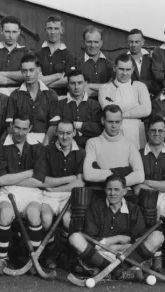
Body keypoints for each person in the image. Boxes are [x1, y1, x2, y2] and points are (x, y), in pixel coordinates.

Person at [69, 174, 164, 278]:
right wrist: (117, 238)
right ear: (105, 190)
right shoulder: (95, 207)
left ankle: (111, 271)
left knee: (158, 236)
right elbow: (91, 240)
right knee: (75, 238)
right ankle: (118, 271)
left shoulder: (134, 209)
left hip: (128, 255)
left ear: (124, 191)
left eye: (116, 189)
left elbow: (137, 241)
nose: (112, 193)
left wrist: (116, 246)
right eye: (109, 189)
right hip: (100, 255)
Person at [0, 113, 45, 275]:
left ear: (30, 128)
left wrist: (11, 178)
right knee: (6, 215)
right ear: (11, 127)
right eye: (17, 128)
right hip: (8, 193)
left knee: (34, 214)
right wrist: (30, 172)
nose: (20, 133)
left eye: (24, 129)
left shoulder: (37, 147)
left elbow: (39, 181)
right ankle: (2, 258)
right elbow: (1, 181)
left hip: (32, 194)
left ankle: (34, 260)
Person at [41, 119, 85, 269]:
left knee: (68, 221)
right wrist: (69, 179)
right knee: (46, 220)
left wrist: (56, 188)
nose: (65, 137)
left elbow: (80, 183)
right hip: (48, 197)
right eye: (61, 133)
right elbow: (44, 181)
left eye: (68, 133)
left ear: (74, 133)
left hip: (69, 196)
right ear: (56, 133)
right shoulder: (47, 150)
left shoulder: (81, 152)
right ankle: (51, 253)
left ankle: (65, 254)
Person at [83, 104, 144, 187]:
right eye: (110, 122)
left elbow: (140, 176)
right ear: (103, 121)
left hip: (123, 192)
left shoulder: (130, 143)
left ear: (121, 121)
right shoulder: (92, 143)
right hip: (100, 192)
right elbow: (88, 175)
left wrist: (118, 183)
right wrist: (123, 171)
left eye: (117, 122)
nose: (114, 126)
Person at [99, 53, 151, 149]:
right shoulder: (105, 88)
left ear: (133, 70)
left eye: (128, 70)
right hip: (113, 132)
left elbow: (146, 110)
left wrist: (118, 113)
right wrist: (135, 105)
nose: (124, 73)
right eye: (121, 69)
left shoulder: (139, 86)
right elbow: (107, 109)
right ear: (114, 68)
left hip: (136, 133)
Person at [5, 54, 60, 145]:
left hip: (45, 138)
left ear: (39, 70)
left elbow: (53, 124)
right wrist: (21, 144)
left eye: (31, 70)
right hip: (20, 138)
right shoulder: (15, 95)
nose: (28, 74)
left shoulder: (50, 94)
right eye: (24, 71)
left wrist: (44, 145)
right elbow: (9, 124)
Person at [134, 115, 165, 270]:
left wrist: (147, 182)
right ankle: (155, 256)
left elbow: (142, 182)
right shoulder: (138, 153)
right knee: (150, 207)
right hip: (144, 195)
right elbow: (136, 186)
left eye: (161, 130)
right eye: (153, 130)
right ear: (148, 132)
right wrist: (157, 187)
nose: (157, 133)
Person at [58, 69, 102, 148]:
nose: (76, 87)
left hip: (90, 147)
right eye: (72, 83)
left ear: (85, 84)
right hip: (66, 147)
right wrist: (87, 128)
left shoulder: (94, 105)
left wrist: (78, 125)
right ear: (67, 85)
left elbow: (98, 129)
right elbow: (57, 129)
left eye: (80, 83)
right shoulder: (60, 104)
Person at [0, 16, 29, 96]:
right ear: (1, 31)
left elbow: (28, 75)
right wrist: (20, 79)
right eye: (7, 31)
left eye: (14, 32)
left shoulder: (26, 52)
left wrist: (2, 73)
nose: (11, 36)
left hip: (20, 95)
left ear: (19, 32)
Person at [35, 15, 75, 96]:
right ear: (45, 29)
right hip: (40, 99)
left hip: (61, 99)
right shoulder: (37, 54)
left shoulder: (69, 55)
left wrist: (43, 83)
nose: (53, 32)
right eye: (50, 28)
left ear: (62, 30)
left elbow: (68, 81)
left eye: (56, 28)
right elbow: (35, 80)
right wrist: (58, 75)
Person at [75, 26, 113, 98]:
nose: (92, 45)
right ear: (84, 42)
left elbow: (113, 87)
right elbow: (77, 89)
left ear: (101, 43)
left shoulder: (110, 64)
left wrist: (89, 86)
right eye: (89, 42)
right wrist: (104, 88)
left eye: (96, 42)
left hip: (106, 106)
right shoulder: (77, 64)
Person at [127, 28, 161, 97]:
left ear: (143, 42)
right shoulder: (122, 61)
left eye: (137, 42)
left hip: (150, 101)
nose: (133, 45)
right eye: (131, 42)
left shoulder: (151, 61)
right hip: (129, 100)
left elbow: (158, 84)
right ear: (127, 42)